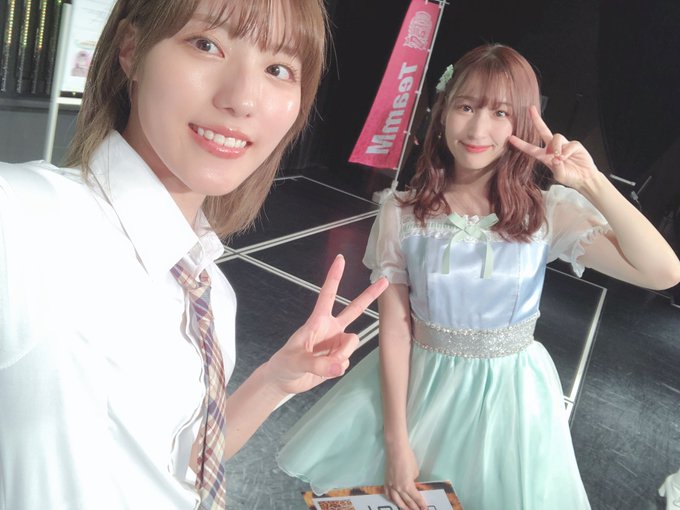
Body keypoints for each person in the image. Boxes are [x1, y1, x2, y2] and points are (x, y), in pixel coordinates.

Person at [0, 0, 387, 508]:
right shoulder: (29, 220)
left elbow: (184, 466)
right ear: (131, 50)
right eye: (207, 44)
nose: (242, 99)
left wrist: (275, 380)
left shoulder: (211, 292)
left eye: (278, 69)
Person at [277, 44, 680, 510]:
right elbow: (396, 328)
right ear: (443, 111)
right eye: (466, 107)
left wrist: (591, 182)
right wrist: (397, 443)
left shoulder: (546, 213)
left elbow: (662, 272)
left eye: (500, 113)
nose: (477, 129)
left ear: (521, 123)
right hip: (419, 393)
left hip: (511, 402)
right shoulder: (401, 212)